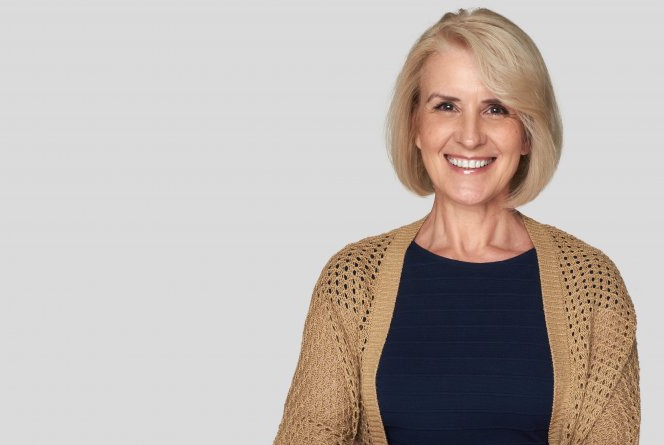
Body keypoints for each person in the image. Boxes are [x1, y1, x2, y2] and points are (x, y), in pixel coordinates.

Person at [272, 7, 640, 445]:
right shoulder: (353, 280)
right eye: (446, 106)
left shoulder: (593, 286)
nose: (469, 136)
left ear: (527, 132)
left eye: (496, 109)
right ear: (416, 125)